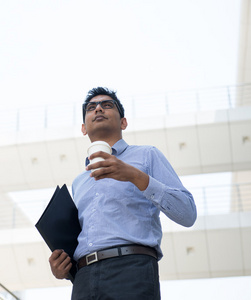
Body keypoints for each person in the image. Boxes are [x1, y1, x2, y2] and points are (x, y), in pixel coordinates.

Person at [48, 87, 197, 300]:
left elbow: (188, 213)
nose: (98, 108)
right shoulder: (79, 182)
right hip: (83, 279)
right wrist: (63, 266)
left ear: (123, 122)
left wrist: (135, 176)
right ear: (83, 128)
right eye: (91, 107)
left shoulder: (147, 155)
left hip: (132, 270)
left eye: (107, 105)